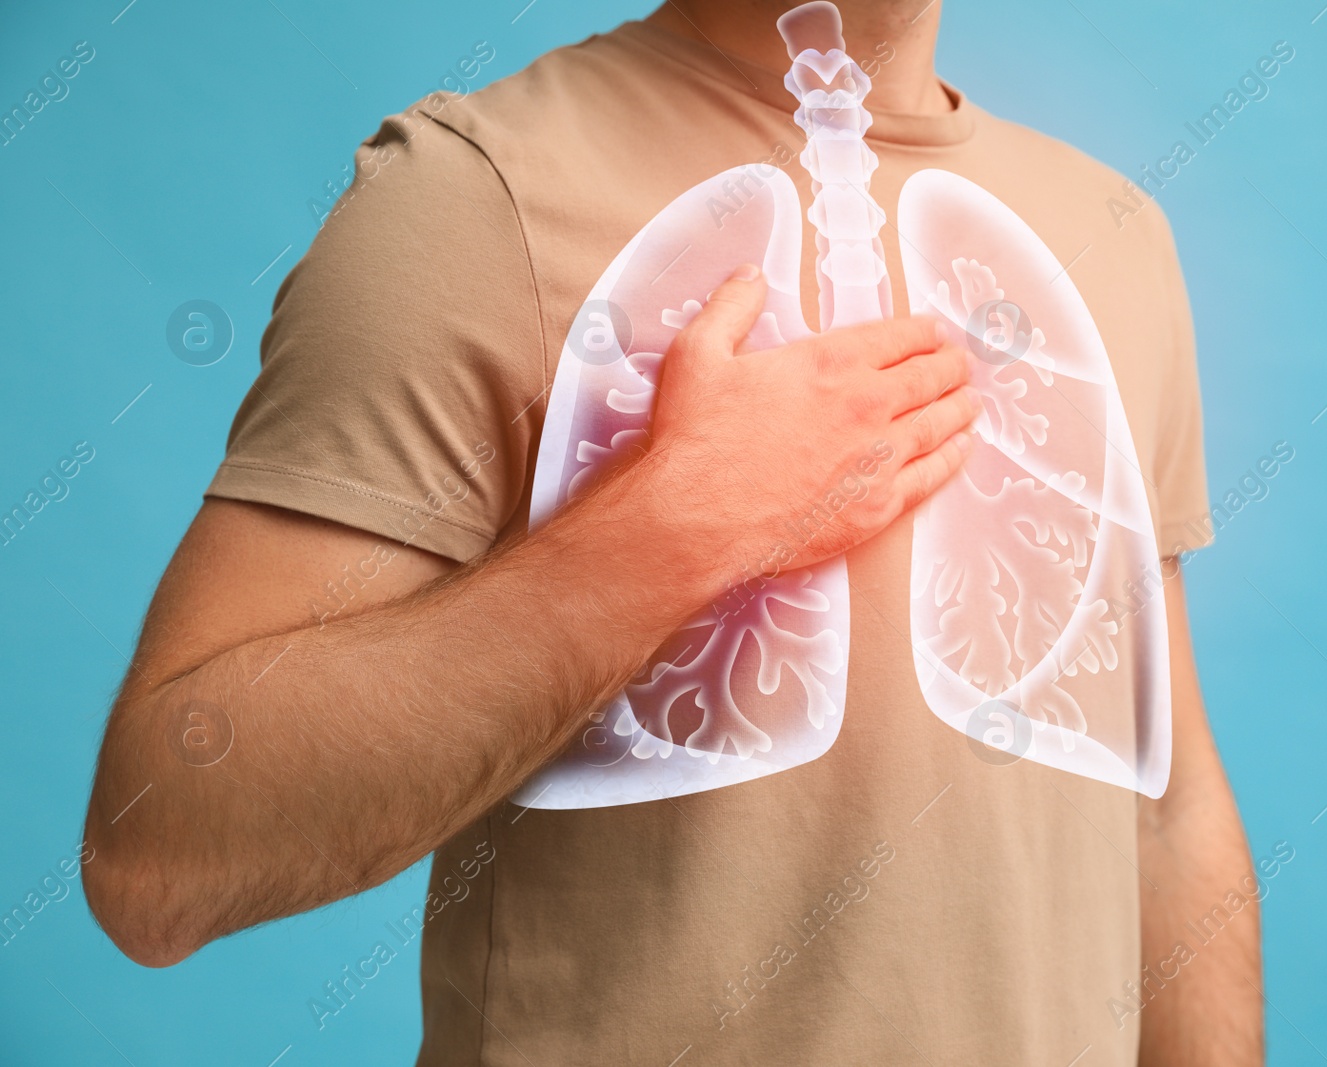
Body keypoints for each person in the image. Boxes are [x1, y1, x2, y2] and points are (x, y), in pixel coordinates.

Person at [83, 1, 1262, 1062]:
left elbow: (1162, 810)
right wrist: (674, 525)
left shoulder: (1114, 231)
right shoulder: (474, 195)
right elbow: (160, 852)